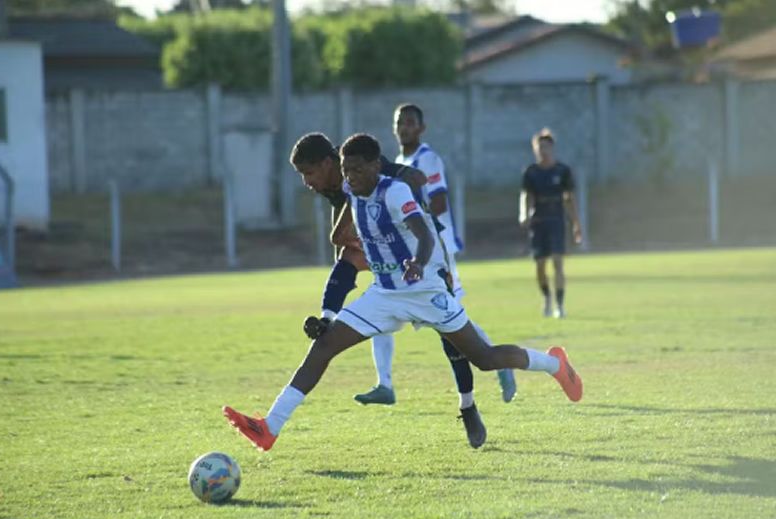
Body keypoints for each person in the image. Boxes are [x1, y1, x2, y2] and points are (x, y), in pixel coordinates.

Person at [223, 133, 583, 452]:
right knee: (325, 345)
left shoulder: (394, 192)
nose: (351, 178)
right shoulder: (351, 189)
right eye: (347, 172)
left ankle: (555, 365)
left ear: (376, 167)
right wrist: (329, 308)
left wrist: (418, 262)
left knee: (484, 358)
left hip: (424, 290)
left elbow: (424, 234)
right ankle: (270, 427)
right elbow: (343, 242)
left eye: (358, 171)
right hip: (384, 294)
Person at [290, 132, 487, 447]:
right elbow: (340, 235)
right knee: (345, 261)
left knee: (451, 335)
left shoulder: (354, 165)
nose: (306, 182)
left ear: (329, 164)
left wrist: (406, 220)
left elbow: (413, 177)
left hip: (425, 253)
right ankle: (332, 325)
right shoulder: (336, 188)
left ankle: (468, 404)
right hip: (387, 259)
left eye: (308, 173)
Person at [387, 102, 517, 403]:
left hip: (438, 248)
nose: (403, 128)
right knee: (446, 317)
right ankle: (385, 383)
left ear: (421, 128)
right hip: (419, 250)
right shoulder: (398, 160)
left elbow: (440, 202)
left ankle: (501, 362)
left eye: (409, 122)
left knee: (452, 315)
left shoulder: (427, 159)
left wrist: (414, 219)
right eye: (399, 123)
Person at [519, 128, 582, 318]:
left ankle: (560, 305)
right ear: (534, 149)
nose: (542, 151)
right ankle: (547, 297)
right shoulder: (531, 172)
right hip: (539, 221)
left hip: (556, 220)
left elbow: (570, 198)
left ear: (552, 148)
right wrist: (524, 214)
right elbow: (526, 195)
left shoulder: (562, 171)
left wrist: (576, 224)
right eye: (539, 147)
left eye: (546, 147)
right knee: (540, 266)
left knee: (558, 263)